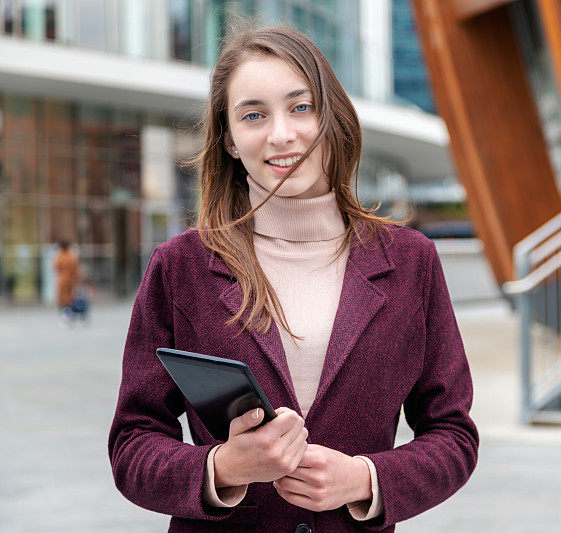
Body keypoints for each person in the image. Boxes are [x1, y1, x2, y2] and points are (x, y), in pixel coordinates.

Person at [108, 24, 478, 532]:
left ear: (331, 117)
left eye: (300, 107)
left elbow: (453, 434)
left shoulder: (411, 262)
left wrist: (365, 479)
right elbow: (132, 442)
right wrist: (221, 469)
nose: (281, 134)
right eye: (254, 115)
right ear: (231, 140)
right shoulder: (181, 266)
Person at [53, 240, 79, 323]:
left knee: (62, 298)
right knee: (69, 298)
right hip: (70, 280)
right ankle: (69, 314)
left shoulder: (60, 256)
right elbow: (75, 269)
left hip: (62, 280)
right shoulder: (71, 256)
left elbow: (56, 266)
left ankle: (65, 314)